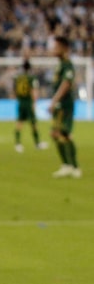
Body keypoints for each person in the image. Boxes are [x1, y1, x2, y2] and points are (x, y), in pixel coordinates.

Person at [48, 36, 81, 178]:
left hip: (65, 105)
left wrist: (54, 101)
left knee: (64, 134)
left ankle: (74, 166)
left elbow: (66, 84)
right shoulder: (60, 64)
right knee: (55, 134)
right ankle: (67, 165)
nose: (54, 50)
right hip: (59, 105)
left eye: (56, 47)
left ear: (64, 48)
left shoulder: (67, 65)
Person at [13, 59, 48, 152]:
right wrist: (34, 102)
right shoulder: (31, 78)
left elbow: (15, 90)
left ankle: (18, 144)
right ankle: (37, 143)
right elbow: (33, 90)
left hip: (20, 102)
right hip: (28, 102)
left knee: (19, 122)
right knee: (33, 123)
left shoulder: (18, 77)